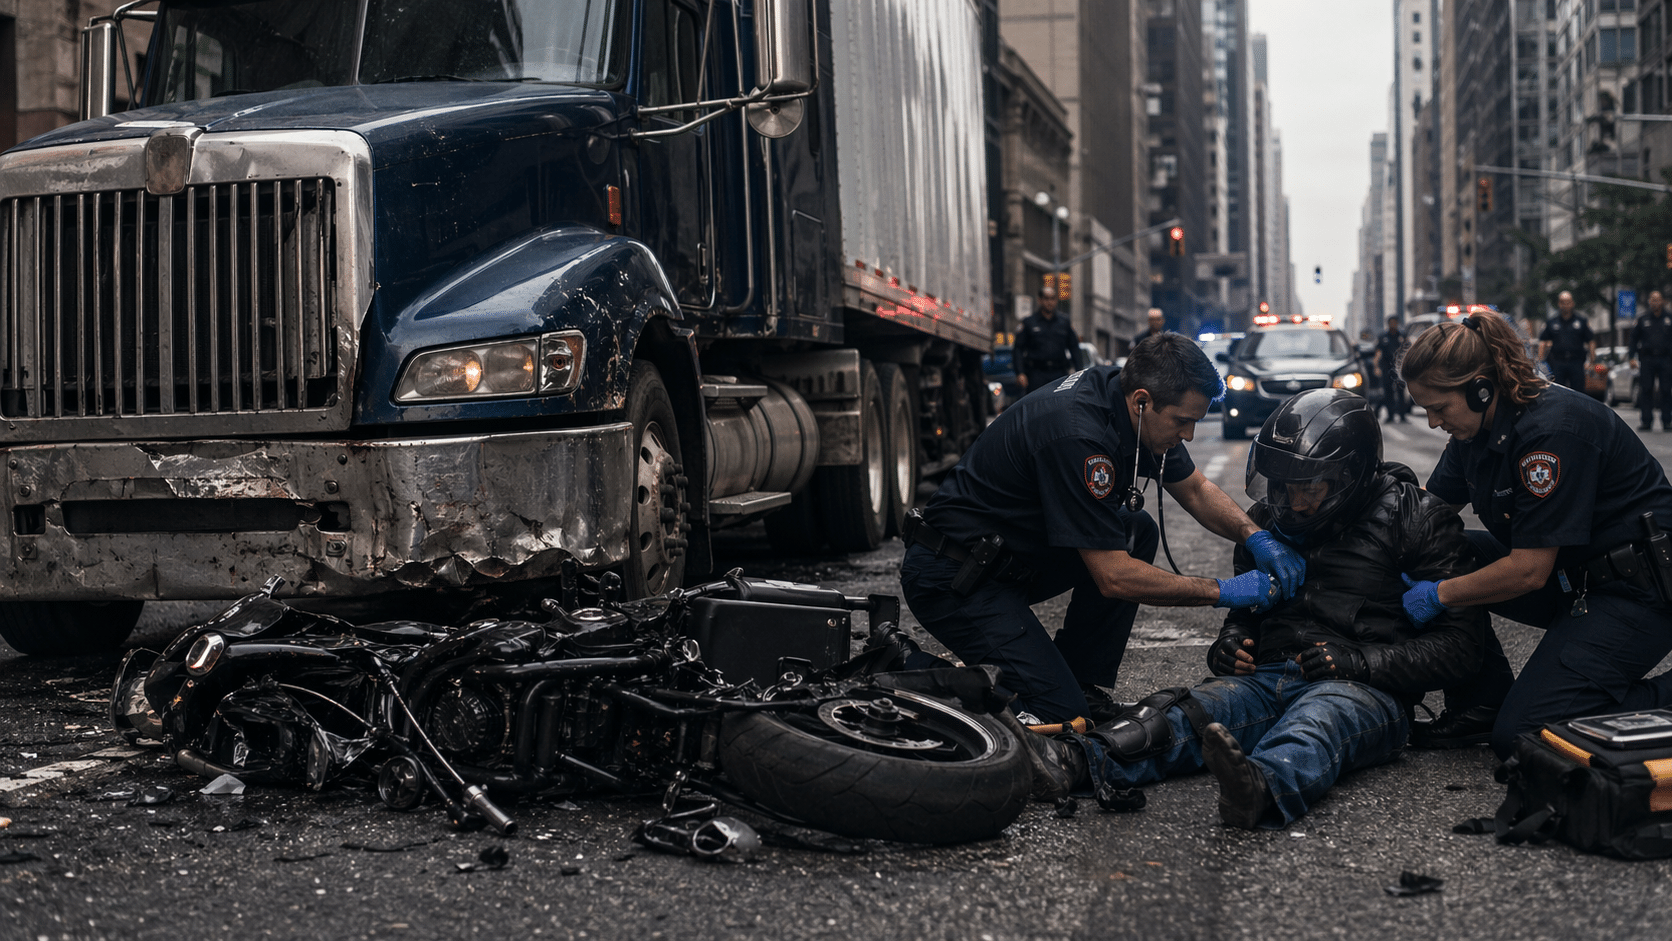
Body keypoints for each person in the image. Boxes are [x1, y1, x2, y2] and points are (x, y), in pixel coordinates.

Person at [1020, 390, 1486, 827]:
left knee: (1319, 719)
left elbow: (1463, 649)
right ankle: (1074, 760)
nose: (1292, 502)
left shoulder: (1418, 519)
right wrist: (1231, 642)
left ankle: (1260, 788)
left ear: (1350, 473)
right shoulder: (1269, 521)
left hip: (1365, 688)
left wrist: (1362, 663)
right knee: (1184, 712)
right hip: (1266, 679)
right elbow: (1245, 616)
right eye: (1281, 486)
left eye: (1309, 487)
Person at [899, 334, 1307, 725]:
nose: (1190, 435)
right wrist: (1223, 590)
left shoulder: (1128, 402)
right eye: (1183, 421)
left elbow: (1197, 490)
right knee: (1061, 716)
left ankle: (1079, 679)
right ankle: (903, 667)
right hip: (952, 578)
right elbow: (1113, 577)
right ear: (1142, 402)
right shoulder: (1078, 433)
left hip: (1006, 559)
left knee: (1135, 530)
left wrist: (1257, 536)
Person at [1397, 311, 1672, 758]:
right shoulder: (1474, 433)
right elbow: (1427, 516)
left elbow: (1527, 571)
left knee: (1526, 732)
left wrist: (1442, 594)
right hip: (1575, 581)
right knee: (1442, 549)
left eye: (1438, 408)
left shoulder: (1550, 433)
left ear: (1480, 388)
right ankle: (1481, 702)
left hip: (1635, 593)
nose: (1432, 422)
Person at [1014, 285, 1078, 394]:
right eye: (1046, 298)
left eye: (1052, 299)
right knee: (1036, 405)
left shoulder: (1064, 323)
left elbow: (1074, 348)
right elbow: (1018, 349)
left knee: (1059, 406)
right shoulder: (1029, 323)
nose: (1050, 302)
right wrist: (1020, 373)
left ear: (1056, 301)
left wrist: (1078, 371)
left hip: (1059, 372)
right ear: (1040, 300)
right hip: (1036, 373)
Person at [1629, 290, 1672, 431]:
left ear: (1663, 301)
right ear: (1649, 301)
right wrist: (1631, 357)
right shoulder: (1642, 319)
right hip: (1647, 359)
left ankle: (1667, 421)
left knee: (1666, 390)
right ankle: (1646, 421)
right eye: (1652, 300)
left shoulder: (1669, 318)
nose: (1655, 302)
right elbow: (1633, 340)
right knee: (1646, 390)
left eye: (1658, 299)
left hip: (1666, 358)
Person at [1536, 291, 1594, 392]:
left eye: (1568, 302)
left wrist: (1592, 361)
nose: (1565, 305)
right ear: (1559, 304)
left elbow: (1590, 341)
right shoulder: (1551, 322)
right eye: (1563, 302)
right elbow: (1543, 342)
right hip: (1558, 362)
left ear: (1572, 303)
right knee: (1557, 392)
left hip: (1576, 362)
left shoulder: (1581, 321)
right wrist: (1541, 363)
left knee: (1578, 393)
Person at [1374, 316, 1409, 423]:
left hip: (1399, 368)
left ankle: (1402, 415)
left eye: (1395, 322)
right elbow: (1378, 353)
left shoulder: (1402, 336)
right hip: (1386, 367)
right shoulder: (1383, 337)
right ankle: (1390, 415)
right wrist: (1376, 367)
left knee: (1400, 391)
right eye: (1391, 322)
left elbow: (1408, 351)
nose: (1393, 324)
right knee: (1388, 392)